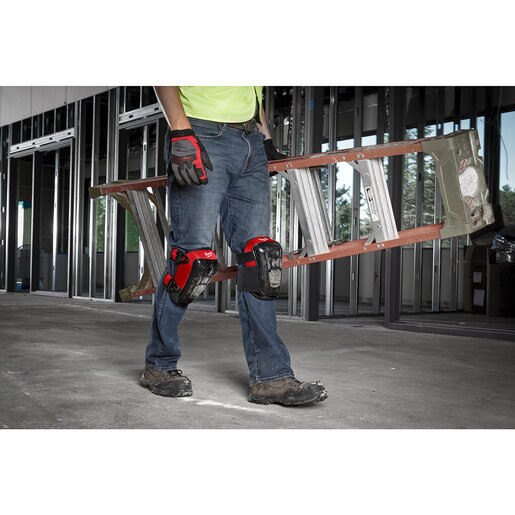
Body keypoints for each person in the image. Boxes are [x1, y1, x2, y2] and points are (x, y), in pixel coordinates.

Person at [140, 86, 327, 406]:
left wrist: (264, 138)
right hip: (200, 132)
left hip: (250, 140)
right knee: (191, 262)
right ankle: (159, 365)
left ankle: (271, 377)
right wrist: (180, 130)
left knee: (260, 259)